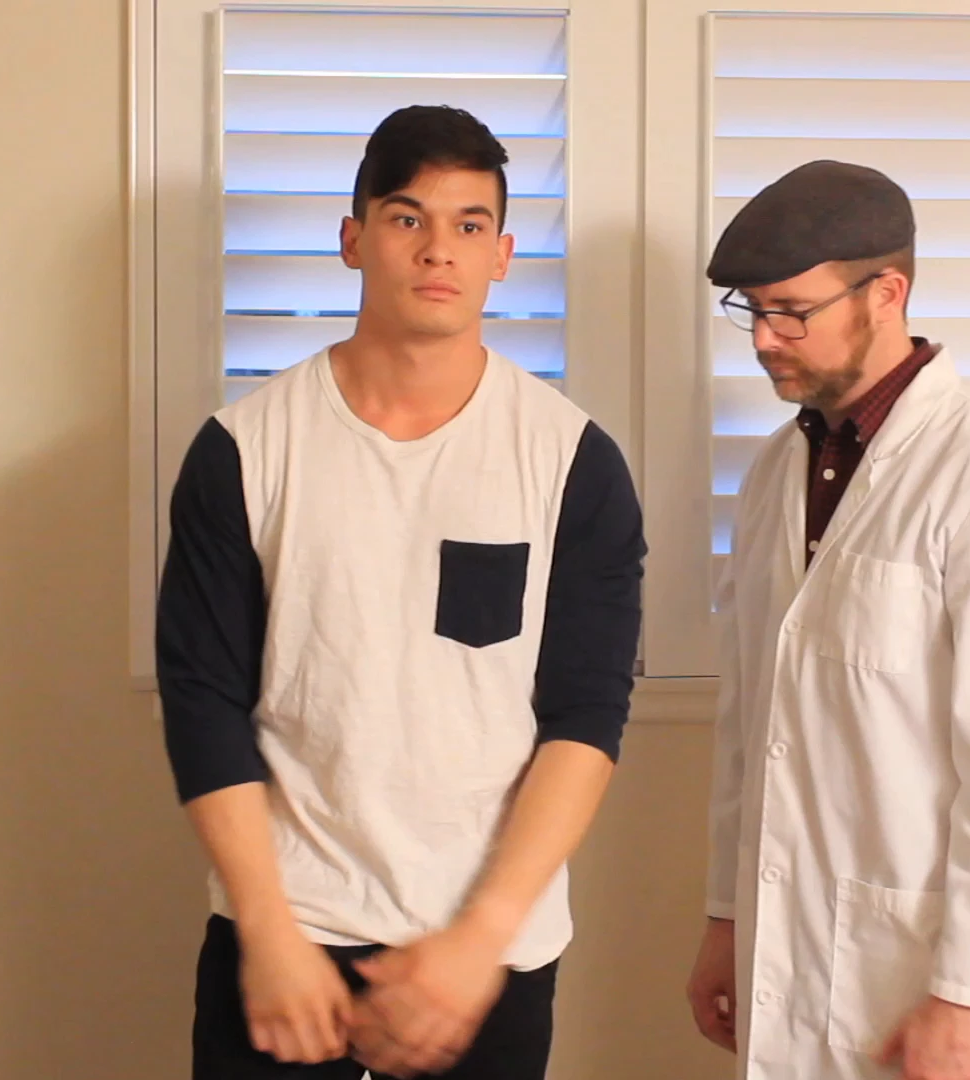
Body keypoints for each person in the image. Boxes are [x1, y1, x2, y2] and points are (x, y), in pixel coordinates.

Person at [156, 104, 646, 1080]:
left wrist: (480, 938)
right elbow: (203, 705)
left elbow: (585, 721)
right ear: (354, 239)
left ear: (502, 254)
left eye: (469, 224)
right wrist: (267, 930)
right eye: (407, 217)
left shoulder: (572, 461)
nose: (438, 250)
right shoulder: (243, 450)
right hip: (288, 933)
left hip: (487, 950)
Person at [683, 159, 970, 1080]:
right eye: (753, 311)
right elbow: (750, 727)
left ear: (886, 294)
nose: (765, 339)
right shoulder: (772, 477)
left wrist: (967, 992)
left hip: (919, 971)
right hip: (783, 948)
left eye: (793, 312)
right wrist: (727, 918)